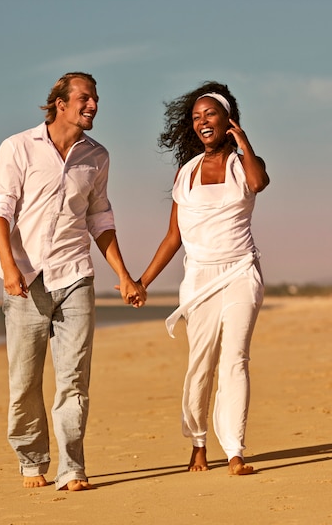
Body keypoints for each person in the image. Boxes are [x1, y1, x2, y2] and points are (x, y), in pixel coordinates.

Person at [0, 72, 146, 491]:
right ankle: (31, 457)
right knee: (25, 380)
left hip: (75, 275)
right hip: (26, 279)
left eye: (95, 100)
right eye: (85, 98)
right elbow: (0, 209)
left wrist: (125, 277)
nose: (93, 106)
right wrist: (9, 266)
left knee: (74, 379)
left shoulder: (97, 156)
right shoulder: (18, 147)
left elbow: (100, 218)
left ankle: (72, 467)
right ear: (60, 102)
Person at [138, 81, 269, 475]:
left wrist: (243, 142)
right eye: (196, 117)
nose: (202, 122)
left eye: (210, 114)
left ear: (228, 118)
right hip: (198, 279)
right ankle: (198, 441)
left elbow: (258, 183)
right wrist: (142, 282)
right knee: (200, 364)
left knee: (235, 360)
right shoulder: (186, 173)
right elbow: (173, 237)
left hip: (241, 271)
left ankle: (235, 450)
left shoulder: (244, 164)